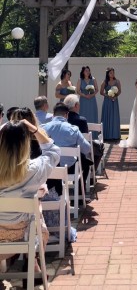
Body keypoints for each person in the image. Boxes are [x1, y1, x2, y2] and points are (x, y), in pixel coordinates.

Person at [0, 119, 60, 280]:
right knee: (37, 214)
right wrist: (34, 129)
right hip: (20, 237)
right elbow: (53, 151)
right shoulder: (34, 169)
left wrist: (4, 129)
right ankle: (33, 264)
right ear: (25, 143)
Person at [42, 103, 91, 196]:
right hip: (69, 168)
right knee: (86, 164)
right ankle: (80, 195)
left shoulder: (43, 128)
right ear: (66, 115)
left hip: (48, 168)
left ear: (53, 114)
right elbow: (87, 149)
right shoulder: (73, 129)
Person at [100, 67, 121, 140]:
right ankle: (106, 135)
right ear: (108, 74)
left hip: (114, 101)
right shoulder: (104, 82)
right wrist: (108, 95)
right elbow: (101, 92)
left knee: (114, 117)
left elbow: (119, 91)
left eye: (113, 72)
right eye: (111, 73)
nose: (112, 74)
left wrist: (115, 96)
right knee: (107, 116)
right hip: (107, 101)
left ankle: (115, 135)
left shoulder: (117, 81)